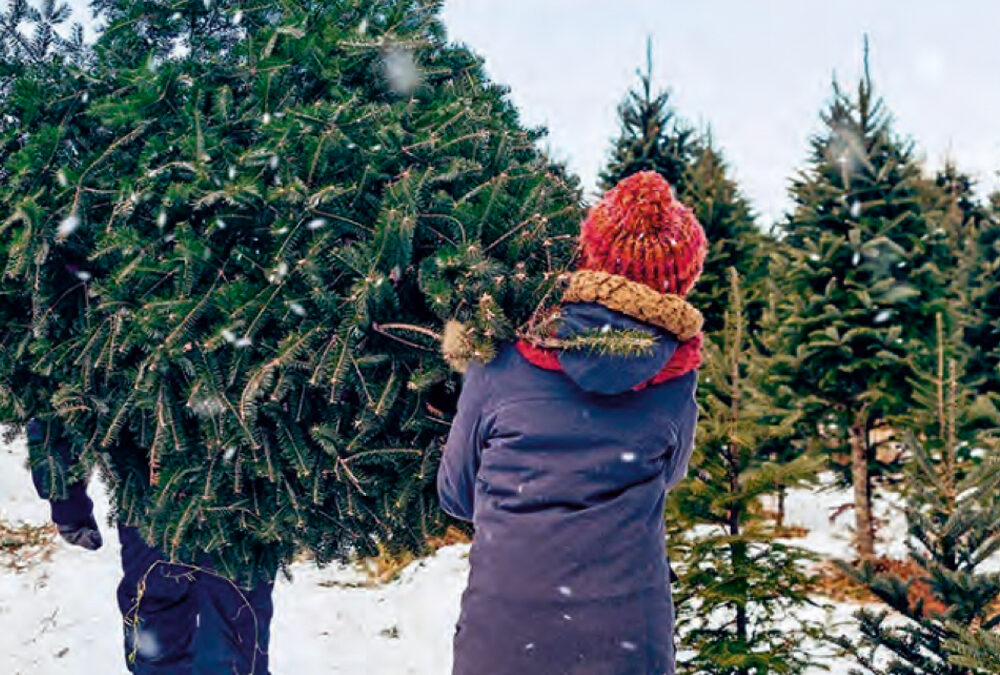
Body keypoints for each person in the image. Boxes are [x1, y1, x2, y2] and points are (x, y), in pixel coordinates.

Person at [438, 171, 706, 675]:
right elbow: (670, 473)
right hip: (627, 644)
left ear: (589, 251)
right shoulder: (675, 380)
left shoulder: (501, 356)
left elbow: (456, 492)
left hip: (503, 642)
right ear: (680, 279)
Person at [27, 417, 275, 675]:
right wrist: (62, 489)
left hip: (241, 477)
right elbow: (56, 391)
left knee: (234, 619)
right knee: (160, 621)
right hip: (150, 472)